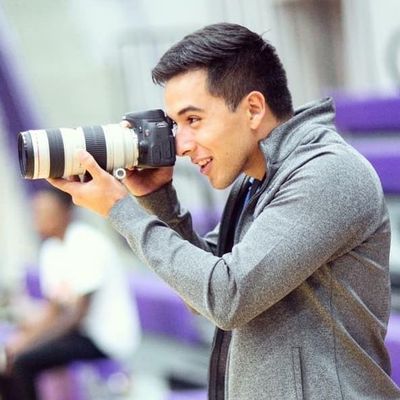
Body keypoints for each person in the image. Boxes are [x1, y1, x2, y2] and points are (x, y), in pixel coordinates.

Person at [49, 23, 400, 399]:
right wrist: (158, 199)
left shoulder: (327, 173)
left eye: (193, 120)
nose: (181, 145)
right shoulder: (254, 184)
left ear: (253, 109)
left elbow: (227, 296)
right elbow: (200, 296)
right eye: (175, 125)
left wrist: (120, 209)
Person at [0, 187, 140, 400]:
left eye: (45, 212)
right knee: (7, 357)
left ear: (66, 212)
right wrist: (20, 340)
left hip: (103, 338)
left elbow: (76, 316)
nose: (38, 218)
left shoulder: (86, 243)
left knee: (23, 361)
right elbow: (53, 311)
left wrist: (28, 343)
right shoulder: (50, 249)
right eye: (36, 212)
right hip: (79, 332)